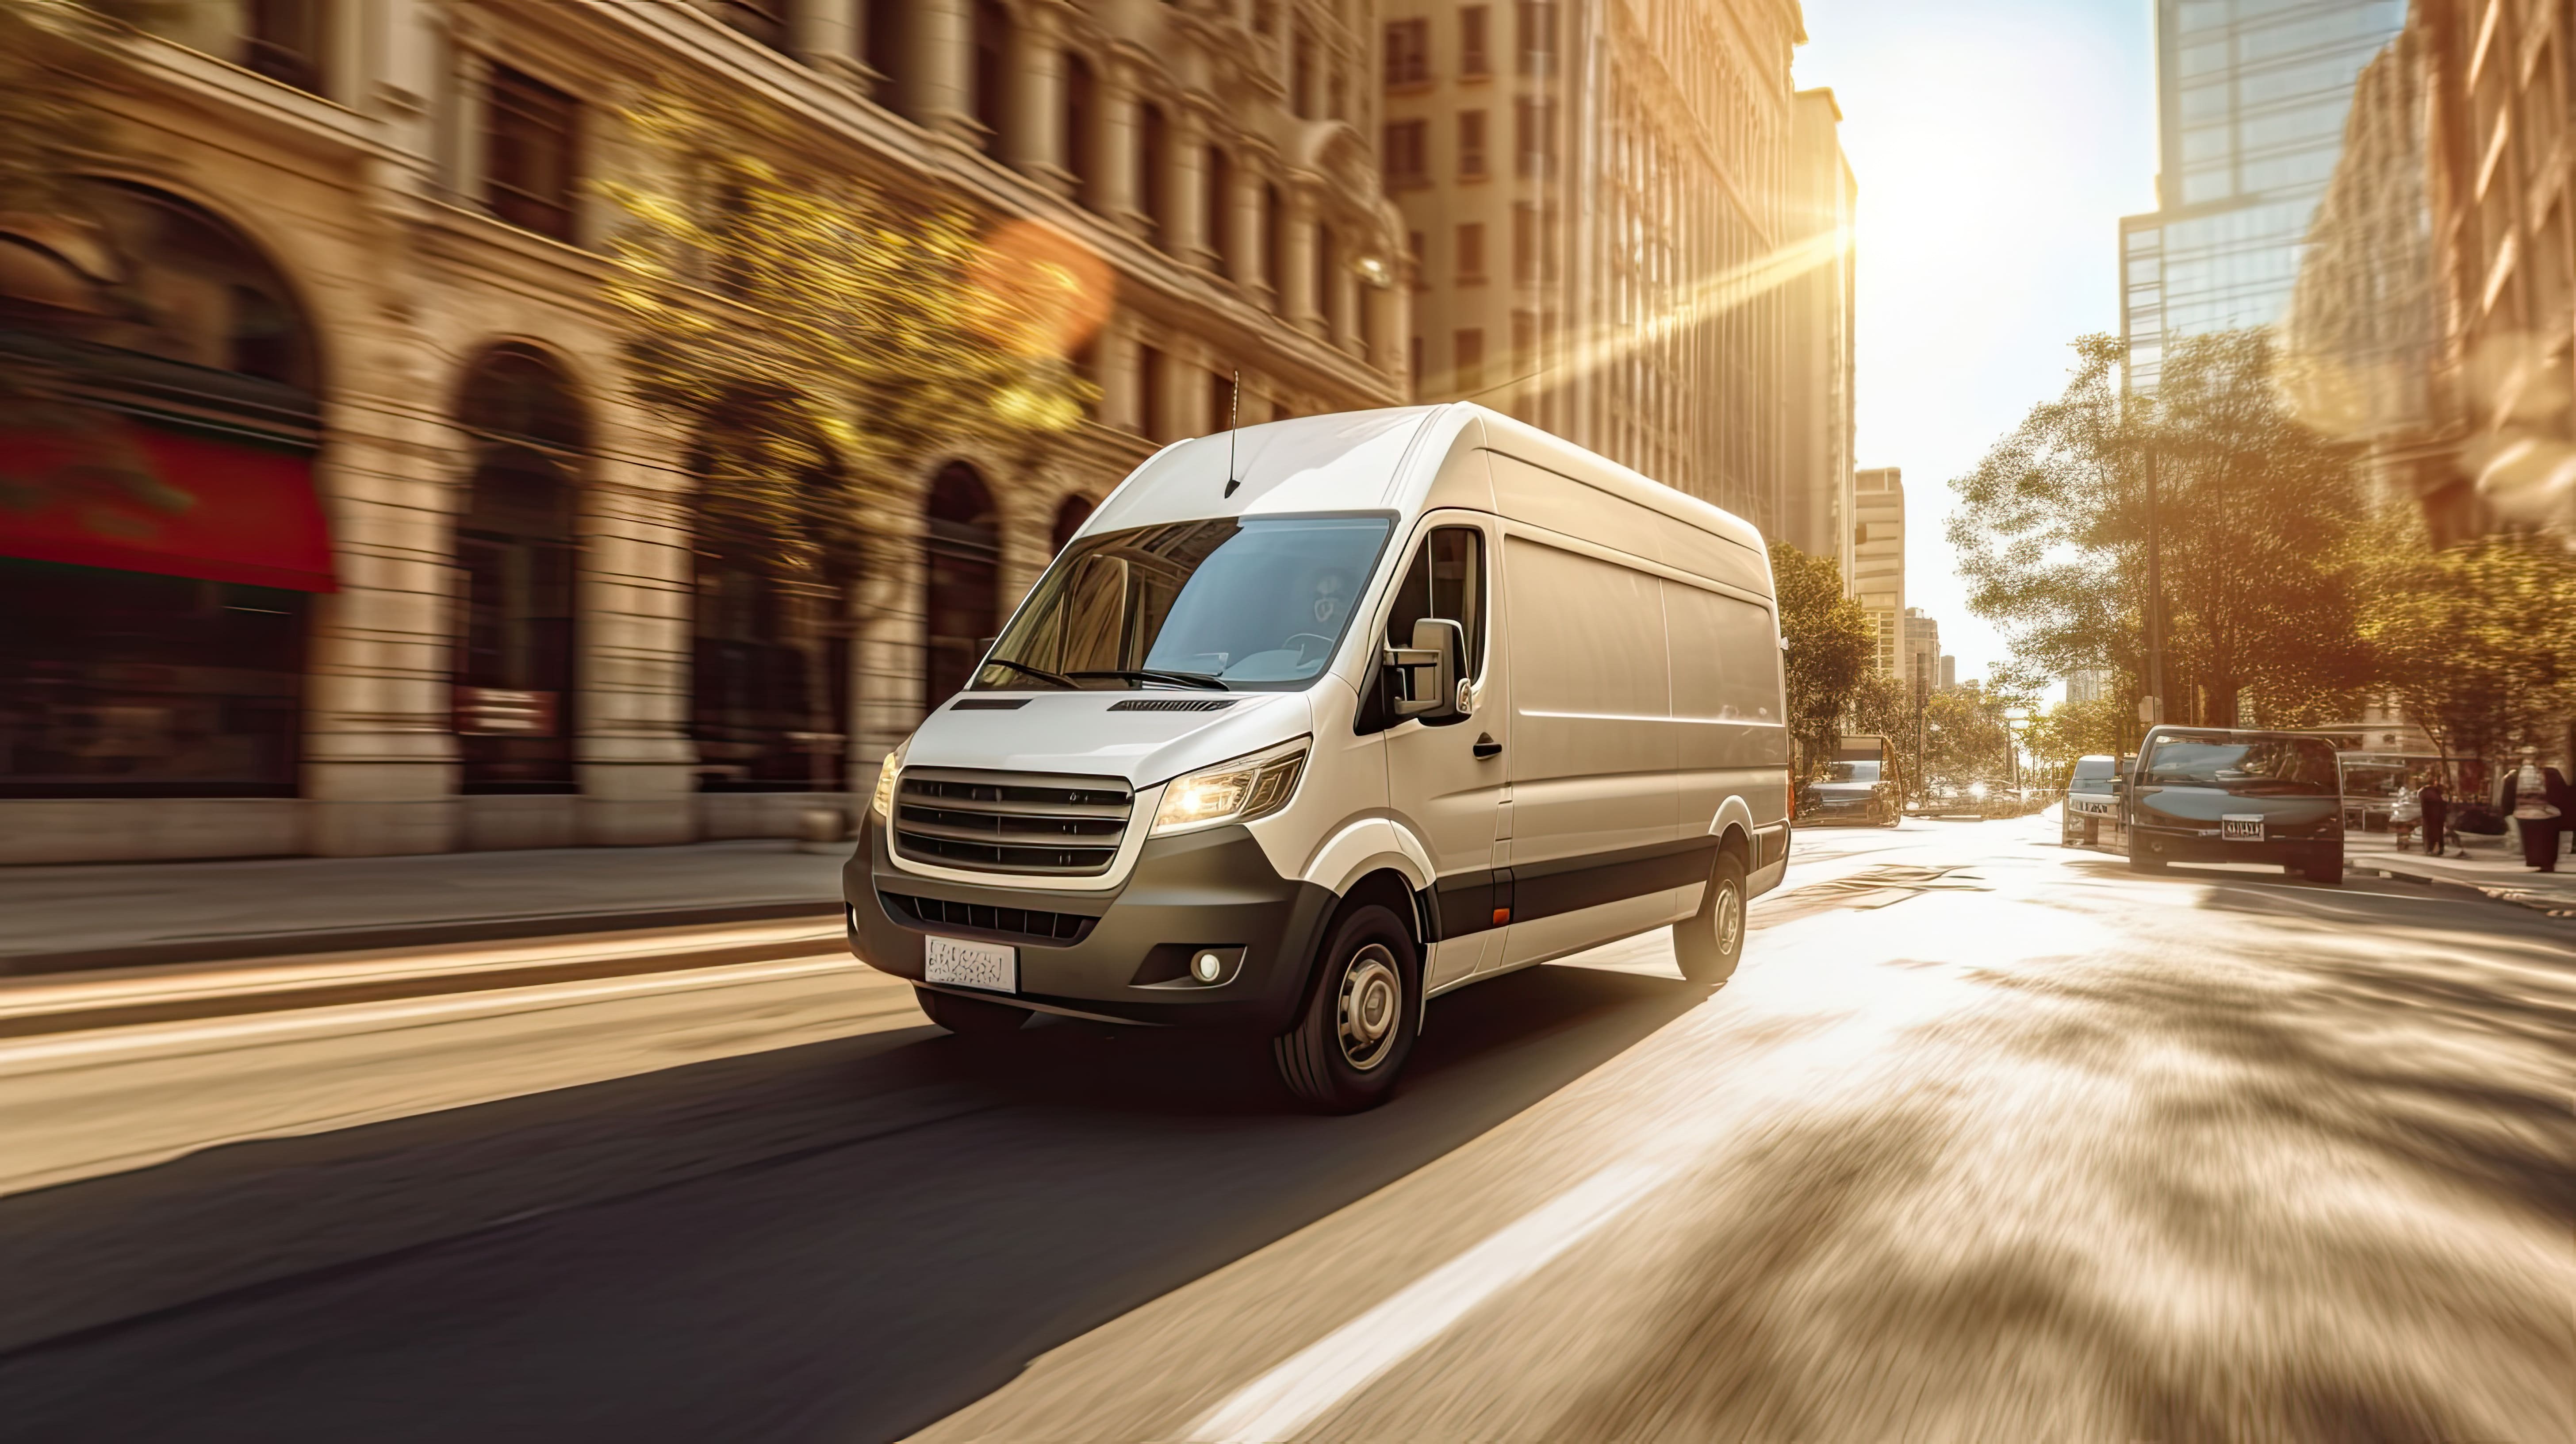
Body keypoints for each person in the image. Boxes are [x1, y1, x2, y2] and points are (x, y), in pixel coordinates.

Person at [2503, 747, 2563, 872]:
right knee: (2539, 839)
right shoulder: (2516, 775)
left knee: (2538, 839)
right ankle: (2543, 863)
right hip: (2535, 812)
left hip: (2539, 812)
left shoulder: (2516, 775)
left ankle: (2543, 863)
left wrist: (2507, 811)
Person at [2419, 773, 2450, 860]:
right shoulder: (2437, 792)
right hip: (2438, 817)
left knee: (2429, 833)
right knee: (2438, 833)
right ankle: (2438, 849)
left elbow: (2422, 803)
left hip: (2429, 817)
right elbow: (2444, 803)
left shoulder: (2424, 792)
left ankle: (2430, 849)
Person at [2390, 775, 2422, 852]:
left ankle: (2404, 842)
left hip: (2406, 817)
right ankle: (2403, 842)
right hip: (2404, 817)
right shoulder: (2405, 792)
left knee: (2404, 831)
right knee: (2403, 831)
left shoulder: (2416, 793)